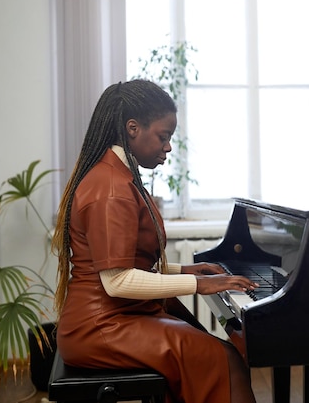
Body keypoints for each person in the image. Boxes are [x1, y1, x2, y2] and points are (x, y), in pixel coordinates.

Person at [51, 79, 258, 403]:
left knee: (218, 353)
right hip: (102, 326)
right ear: (133, 128)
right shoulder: (111, 188)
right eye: (164, 137)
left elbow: (130, 260)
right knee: (223, 360)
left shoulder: (119, 176)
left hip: (115, 316)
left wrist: (184, 269)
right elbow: (117, 281)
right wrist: (198, 284)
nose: (168, 147)